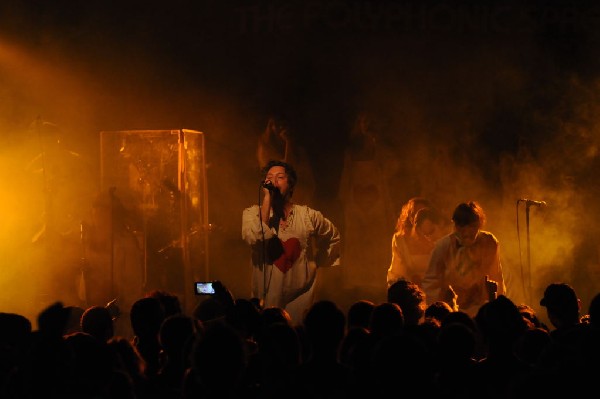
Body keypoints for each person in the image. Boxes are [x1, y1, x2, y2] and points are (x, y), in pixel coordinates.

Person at [242, 160, 341, 324]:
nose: (273, 181)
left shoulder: (308, 215)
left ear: (291, 185)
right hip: (266, 298)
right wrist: (267, 198)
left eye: (279, 177)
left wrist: (318, 260)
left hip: (301, 295)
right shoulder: (251, 214)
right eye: (269, 177)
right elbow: (257, 236)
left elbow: (333, 236)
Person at [422, 201, 505, 316]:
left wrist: (497, 307)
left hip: (481, 308)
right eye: (462, 228)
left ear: (479, 225)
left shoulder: (489, 242)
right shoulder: (443, 247)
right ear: (455, 226)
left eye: (472, 227)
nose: (467, 233)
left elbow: (496, 276)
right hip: (452, 310)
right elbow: (431, 283)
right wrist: (443, 304)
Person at [387, 197, 446, 288]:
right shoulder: (401, 239)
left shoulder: (441, 236)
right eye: (415, 214)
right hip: (414, 290)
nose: (419, 217)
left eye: (423, 213)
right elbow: (397, 272)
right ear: (409, 217)